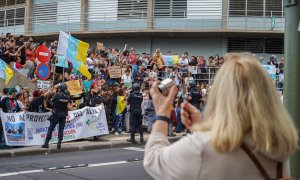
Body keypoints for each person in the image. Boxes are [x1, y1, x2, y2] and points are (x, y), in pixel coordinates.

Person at [144, 53, 298, 180]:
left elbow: (153, 160)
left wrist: (163, 113)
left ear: (220, 94)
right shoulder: (277, 143)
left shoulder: (202, 146)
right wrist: (202, 126)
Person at [42, 83, 72, 149]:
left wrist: (50, 101)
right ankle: (59, 142)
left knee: (51, 128)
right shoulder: (67, 96)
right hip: (63, 114)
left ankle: (46, 143)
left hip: (56, 113)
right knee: (61, 129)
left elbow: (51, 102)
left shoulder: (57, 94)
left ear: (60, 88)